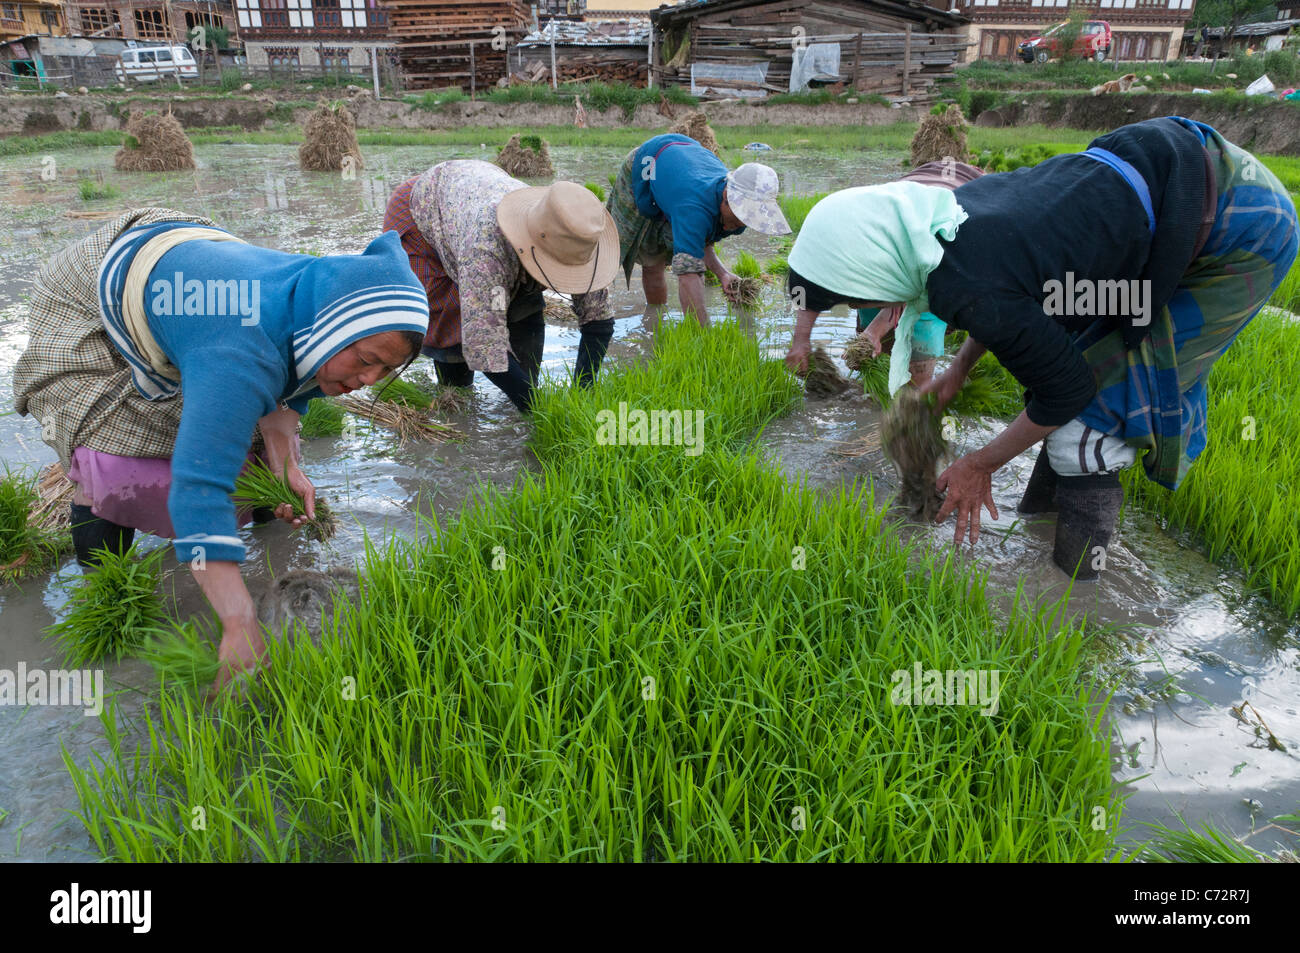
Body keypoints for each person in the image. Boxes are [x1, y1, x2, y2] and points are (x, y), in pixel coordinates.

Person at [783, 117, 1298, 578]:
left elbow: (1066, 387)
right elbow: (1013, 287)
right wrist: (959, 369)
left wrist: (981, 463)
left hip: (1237, 228)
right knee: (1061, 380)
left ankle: (1076, 599)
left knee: (1094, 417)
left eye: (856, 292)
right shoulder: (938, 221)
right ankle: (1041, 523)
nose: (869, 303)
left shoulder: (963, 279)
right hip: (1172, 178)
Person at [13, 208, 430, 689]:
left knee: (239, 429)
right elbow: (198, 491)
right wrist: (239, 622)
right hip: (95, 284)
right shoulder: (241, 349)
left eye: (385, 372)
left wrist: (285, 466)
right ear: (337, 325)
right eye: (366, 360)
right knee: (114, 453)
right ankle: (103, 587)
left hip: (197, 272)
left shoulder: (318, 303)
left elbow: (287, 389)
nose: (366, 382)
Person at [384, 161, 618, 414]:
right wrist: (541, 410)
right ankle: (457, 405)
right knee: (454, 325)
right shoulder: (486, 246)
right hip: (427, 212)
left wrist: (582, 392)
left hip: (477, 195)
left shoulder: (579, 234)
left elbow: (599, 322)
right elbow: (483, 345)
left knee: (524, 308)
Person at [608, 133, 791, 324]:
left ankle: (655, 321)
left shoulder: (722, 210)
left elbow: (700, 240)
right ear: (726, 196)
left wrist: (723, 274)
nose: (740, 224)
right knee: (641, 255)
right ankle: (647, 320)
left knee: (681, 241)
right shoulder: (693, 208)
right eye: (741, 215)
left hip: (680, 170)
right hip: (648, 163)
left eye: (749, 218)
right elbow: (688, 275)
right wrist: (703, 335)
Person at [844, 159, 985, 388]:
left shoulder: (958, 222)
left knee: (916, 379)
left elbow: (924, 283)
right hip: (893, 239)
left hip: (936, 258)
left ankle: (912, 405)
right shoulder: (877, 223)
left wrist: (876, 329)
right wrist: (869, 335)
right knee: (875, 367)